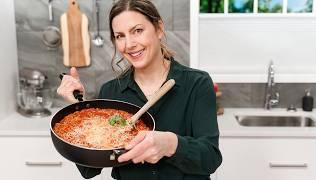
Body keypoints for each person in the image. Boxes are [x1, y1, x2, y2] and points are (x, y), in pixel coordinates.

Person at [57, 0, 222, 179]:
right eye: (120, 36)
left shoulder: (197, 83)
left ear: (159, 29)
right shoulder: (111, 92)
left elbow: (210, 159)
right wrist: (79, 109)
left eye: (137, 31)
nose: (129, 44)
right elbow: (89, 170)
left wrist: (171, 144)